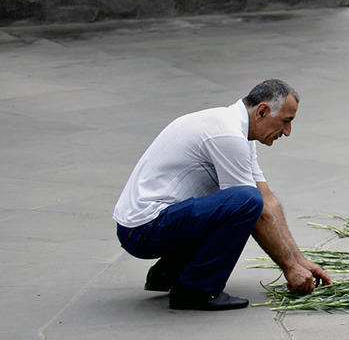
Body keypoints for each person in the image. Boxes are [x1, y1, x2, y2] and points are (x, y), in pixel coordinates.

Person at [112, 79, 331, 311]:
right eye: (286, 121)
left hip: (146, 224)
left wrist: (298, 260)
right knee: (244, 203)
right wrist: (290, 269)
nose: (287, 132)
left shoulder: (237, 129)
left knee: (245, 200)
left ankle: (169, 273)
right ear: (263, 111)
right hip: (143, 230)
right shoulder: (227, 136)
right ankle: (196, 290)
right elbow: (255, 210)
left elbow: (268, 200)